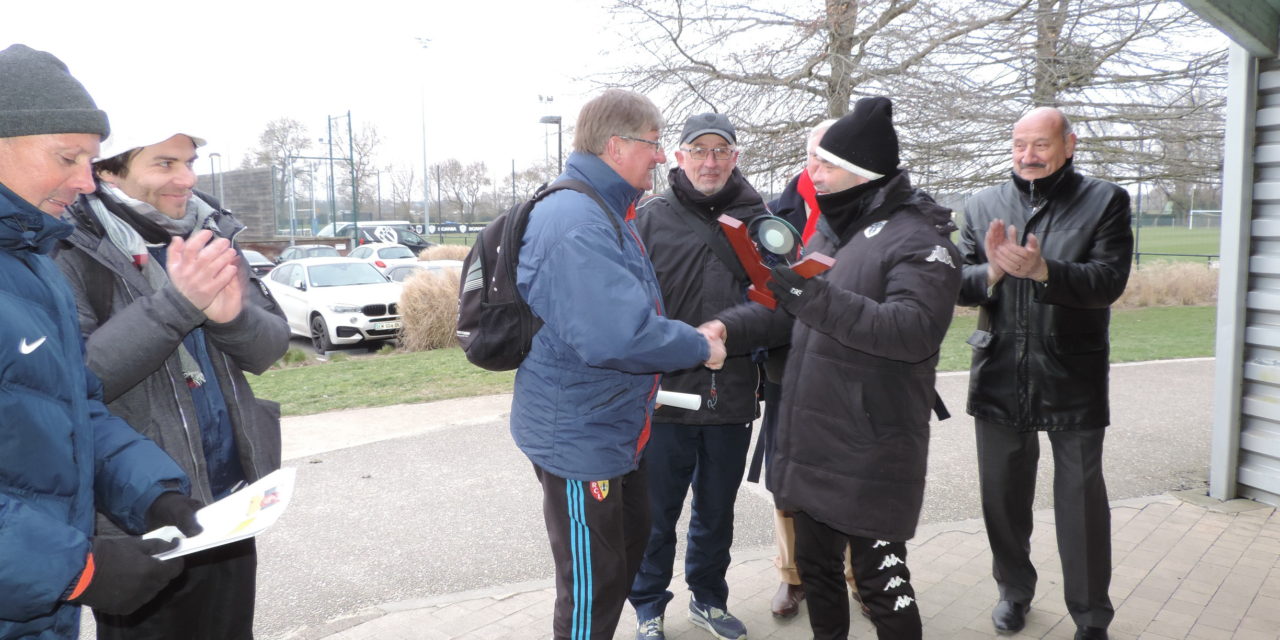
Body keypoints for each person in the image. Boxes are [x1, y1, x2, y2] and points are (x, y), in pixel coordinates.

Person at [709, 96, 962, 640]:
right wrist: (727, 329)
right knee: (819, 573)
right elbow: (790, 310)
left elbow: (912, 331)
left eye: (823, 163)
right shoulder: (830, 230)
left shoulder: (920, 239)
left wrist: (809, 294)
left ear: (861, 170)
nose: (811, 172)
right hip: (811, 439)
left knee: (881, 585)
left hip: (870, 445)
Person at [54, 117, 290, 640]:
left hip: (228, 502)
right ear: (108, 171)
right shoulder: (70, 249)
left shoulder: (210, 234)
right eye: (164, 163)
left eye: (189, 163)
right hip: (137, 513)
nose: (185, 179)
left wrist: (232, 319)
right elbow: (75, 382)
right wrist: (178, 306)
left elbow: (270, 348)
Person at [0, 43, 203, 639]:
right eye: (68, 156)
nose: (86, 182)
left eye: (91, 160)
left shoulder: (34, 266)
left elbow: (74, 407)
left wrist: (156, 493)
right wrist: (77, 570)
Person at [511, 89, 727, 640]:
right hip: (581, 440)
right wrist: (700, 346)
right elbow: (618, 334)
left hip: (611, 432)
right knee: (590, 588)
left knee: (618, 567)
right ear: (616, 146)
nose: (660, 156)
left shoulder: (606, 208)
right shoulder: (576, 220)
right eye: (654, 144)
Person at [957, 107, 1132, 640]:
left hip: (1070, 371)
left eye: (1041, 145)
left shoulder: (1106, 200)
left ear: (1069, 145)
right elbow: (956, 282)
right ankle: (1013, 593)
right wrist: (990, 270)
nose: (1028, 157)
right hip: (1000, 367)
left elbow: (1108, 280)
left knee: (1080, 501)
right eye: (1018, 146)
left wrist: (1044, 271)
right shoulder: (982, 204)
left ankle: (1091, 615)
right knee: (1002, 497)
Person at [628, 113, 766, 640]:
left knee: (716, 513)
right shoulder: (648, 218)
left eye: (721, 151)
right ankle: (648, 607)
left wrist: (728, 333)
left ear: (735, 157)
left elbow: (783, 306)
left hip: (730, 396)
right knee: (656, 515)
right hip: (664, 397)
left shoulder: (760, 220)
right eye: (698, 150)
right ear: (679, 157)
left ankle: (709, 600)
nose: (710, 162)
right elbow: (630, 311)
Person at [761, 118, 869, 620]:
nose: (817, 167)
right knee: (788, 477)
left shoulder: (872, 210)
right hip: (792, 363)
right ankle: (793, 575)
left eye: (827, 158)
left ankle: (860, 576)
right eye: (812, 156)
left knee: (854, 477)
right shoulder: (780, 210)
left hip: (851, 365)